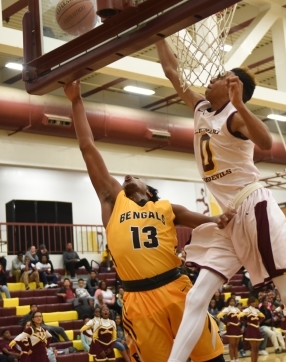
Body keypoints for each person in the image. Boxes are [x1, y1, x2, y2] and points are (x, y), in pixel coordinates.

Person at [157, 41, 286, 362]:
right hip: (228, 218)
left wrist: (240, 104)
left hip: (254, 207)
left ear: (232, 89)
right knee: (197, 297)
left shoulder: (234, 117)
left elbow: (267, 142)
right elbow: (173, 72)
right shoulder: (201, 109)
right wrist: (157, 34)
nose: (209, 80)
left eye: (218, 78)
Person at [64, 80, 227, 362]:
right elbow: (87, 147)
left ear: (149, 191)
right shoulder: (113, 202)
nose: (127, 176)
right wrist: (76, 101)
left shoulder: (166, 207)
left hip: (176, 288)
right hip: (137, 299)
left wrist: (221, 218)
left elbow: (208, 220)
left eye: (135, 177)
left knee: (210, 358)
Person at [217, 298, 244, 362]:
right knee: (232, 345)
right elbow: (219, 316)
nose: (232, 302)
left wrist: (239, 321)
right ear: (228, 302)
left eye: (233, 301)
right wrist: (226, 323)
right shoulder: (227, 309)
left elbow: (241, 317)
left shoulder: (237, 309)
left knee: (236, 345)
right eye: (231, 301)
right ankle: (232, 359)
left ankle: (236, 359)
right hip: (231, 328)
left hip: (237, 328)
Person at [242, 297, 264, 362]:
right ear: (249, 303)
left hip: (256, 329)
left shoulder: (257, 310)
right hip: (251, 330)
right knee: (253, 348)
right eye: (252, 302)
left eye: (254, 302)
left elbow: (263, 317)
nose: (254, 303)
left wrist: (259, 321)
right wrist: (246, 322)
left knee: (257, 348)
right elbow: (239, 316)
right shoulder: (247, 310)